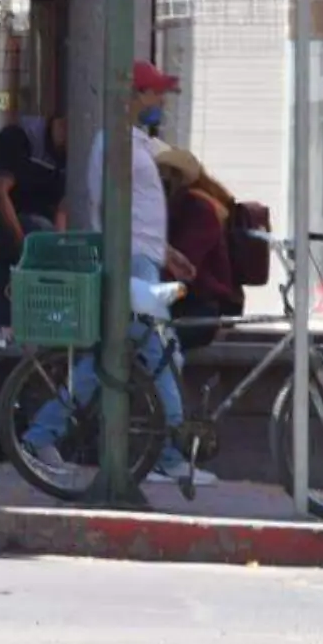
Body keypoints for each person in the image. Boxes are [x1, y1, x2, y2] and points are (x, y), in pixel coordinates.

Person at [19, 60, 213, 488]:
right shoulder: (115, 145)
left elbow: (137, 212)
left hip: (143, 261)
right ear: (133, 97)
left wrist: (166, 251)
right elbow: (112, 210)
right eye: (153, 93)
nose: (160, 100)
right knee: (161, 355)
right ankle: (167, 453)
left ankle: (42, 435)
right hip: (130, 265)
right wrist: (141, 259)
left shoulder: (135, 142)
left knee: (112, 357)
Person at [0, 114, 68, 325]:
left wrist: (62, 251)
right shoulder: (19, 138)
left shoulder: (67, 156)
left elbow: (63, 209)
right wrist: (23, 247)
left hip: (35, 230)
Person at [153, 147, 241, 352]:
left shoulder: (197, 209)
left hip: (200, 307)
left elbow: (184, 264)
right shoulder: (173, 208)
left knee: (156, 345)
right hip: (183, 301)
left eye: (165, 176)